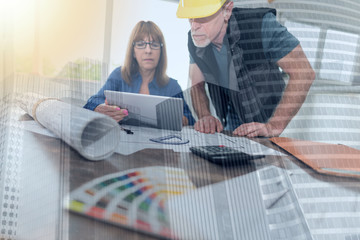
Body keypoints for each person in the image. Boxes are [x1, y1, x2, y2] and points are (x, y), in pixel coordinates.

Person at [176, 0, 315, 136]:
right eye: (190, 18)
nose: (194, 26)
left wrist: (274, 126)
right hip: (233, 112)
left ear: (227, 11)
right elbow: (196, 85)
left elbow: (304, 74)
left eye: (202, 17)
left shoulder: (260, 25)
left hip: (270, 114)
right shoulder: (196, 40)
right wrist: (205, 116)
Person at [84, 21, 195, 126]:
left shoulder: (172, 86)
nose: (148, 50)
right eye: (141, 44)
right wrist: (101, 108)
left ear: (161, 52)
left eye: (154, 44)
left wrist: (180, 119)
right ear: (133, 51)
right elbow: (91, 103)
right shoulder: (119, 75)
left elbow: (190, 119)